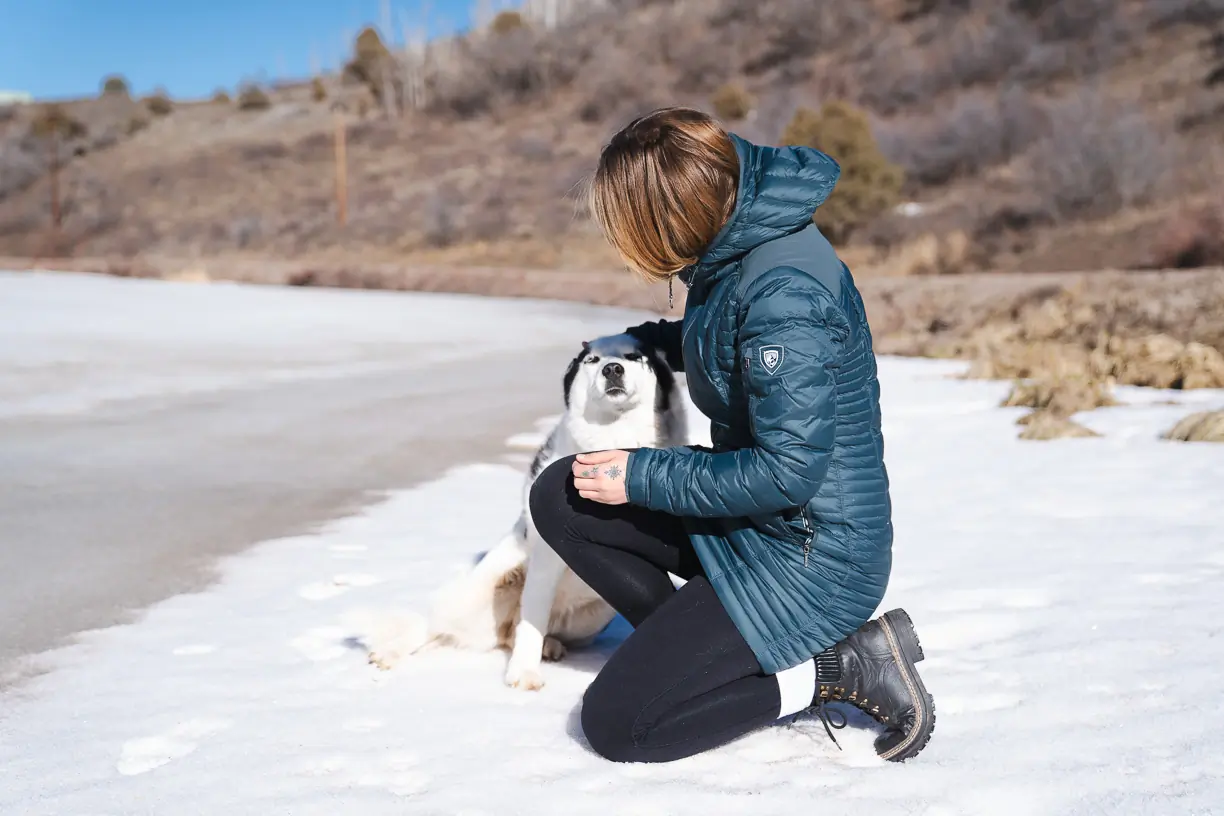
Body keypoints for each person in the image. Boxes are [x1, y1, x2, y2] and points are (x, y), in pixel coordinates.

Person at [528, 107, 934, 764]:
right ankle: (693, 650)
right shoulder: (737, 246)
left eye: (629, 228)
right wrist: (639, 344)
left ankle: (838, 667)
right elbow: (724, 342)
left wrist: (640, 474)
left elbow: (785, 472)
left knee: (619, 725)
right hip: (758, 524)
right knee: (561, 495)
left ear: (669, 217)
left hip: (811, 561)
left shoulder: (784, 289)